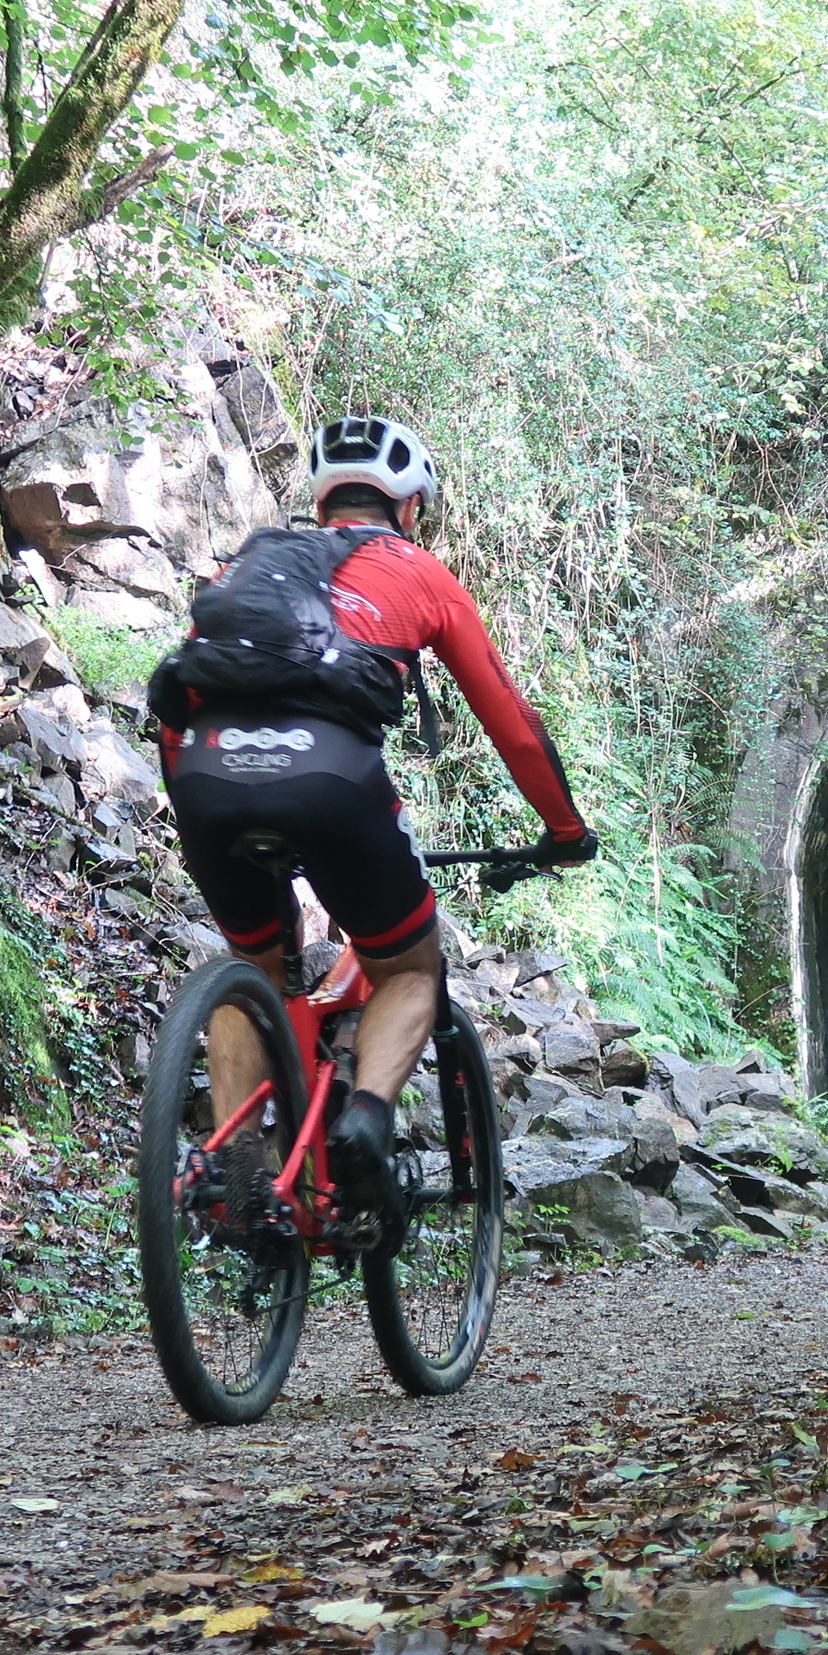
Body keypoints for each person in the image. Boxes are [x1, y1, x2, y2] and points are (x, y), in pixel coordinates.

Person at [150, 414, 596, 1213]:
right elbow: (511, 724)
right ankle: (363, 1122)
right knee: (410, 968)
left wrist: (195, 799)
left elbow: (179, 688)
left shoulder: (250, 566)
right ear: (411, 507)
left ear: (321, 505)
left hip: (205, 771)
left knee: (256, 965)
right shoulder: (420, 572)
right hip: (331, 778)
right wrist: (564, 832)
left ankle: (240, 1171)